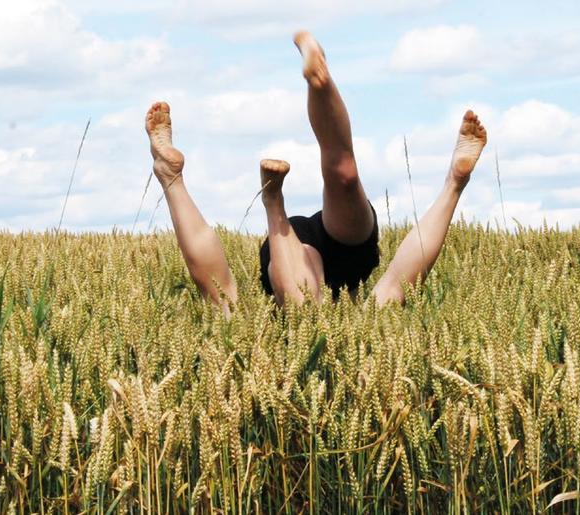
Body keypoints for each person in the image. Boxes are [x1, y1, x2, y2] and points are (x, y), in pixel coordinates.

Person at [144, 30, 488, 313]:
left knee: (241, 305)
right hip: (328, 254)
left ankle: (243, 190)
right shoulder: (369, 325)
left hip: (295, 250)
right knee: (345, 175)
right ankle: (453, 184)